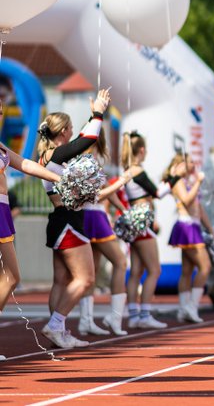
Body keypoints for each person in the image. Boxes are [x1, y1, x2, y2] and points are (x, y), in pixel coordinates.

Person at [36, 90, 110, 348]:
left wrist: (93, 114)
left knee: (62, 280)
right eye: (70, 129)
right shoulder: (57, 156)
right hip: (68, 221)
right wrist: (99, 113)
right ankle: (55, 325)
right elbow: (88, 138)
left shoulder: (48, 156)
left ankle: (59, 330)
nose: (72, 133)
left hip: (58, 220)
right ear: (64, 130)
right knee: (86, 279)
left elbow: (82, 138)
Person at [1, 142, 62, 314]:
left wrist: (58, 178)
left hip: (3, 209)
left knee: (12, 277)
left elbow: (24, 164)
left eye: (0, 113)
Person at [120, 132, 169, 330]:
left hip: (135, 219)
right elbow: (158, 194)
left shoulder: (128, 170)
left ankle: (134, 315)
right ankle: (144, 314)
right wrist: (174, 177)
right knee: (154, 270)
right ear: (141, 150)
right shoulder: (137, 170)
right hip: (141, 221)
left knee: (137, 270)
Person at [78, 158, 131, 337]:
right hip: (95, 215)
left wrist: (123, 210)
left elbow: (108, 190)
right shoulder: (85, 157)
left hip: (92, 215)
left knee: (91, 272)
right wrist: (121, 183)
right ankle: (114, 317)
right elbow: (99, 194)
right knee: (121, 262)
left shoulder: (91, 158)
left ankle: (86, 320)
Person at [167, 153, 214, 324]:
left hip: (194, 225)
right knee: (205, 267)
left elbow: (199, 208)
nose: (193, 164)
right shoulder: (179, 182)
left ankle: (184, 308)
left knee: (187, 270)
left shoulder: (189, 182)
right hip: (186, 226)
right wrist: (199, 183)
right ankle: (191, 306)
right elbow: (187, 201)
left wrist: (210, 229)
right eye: (190, 161)